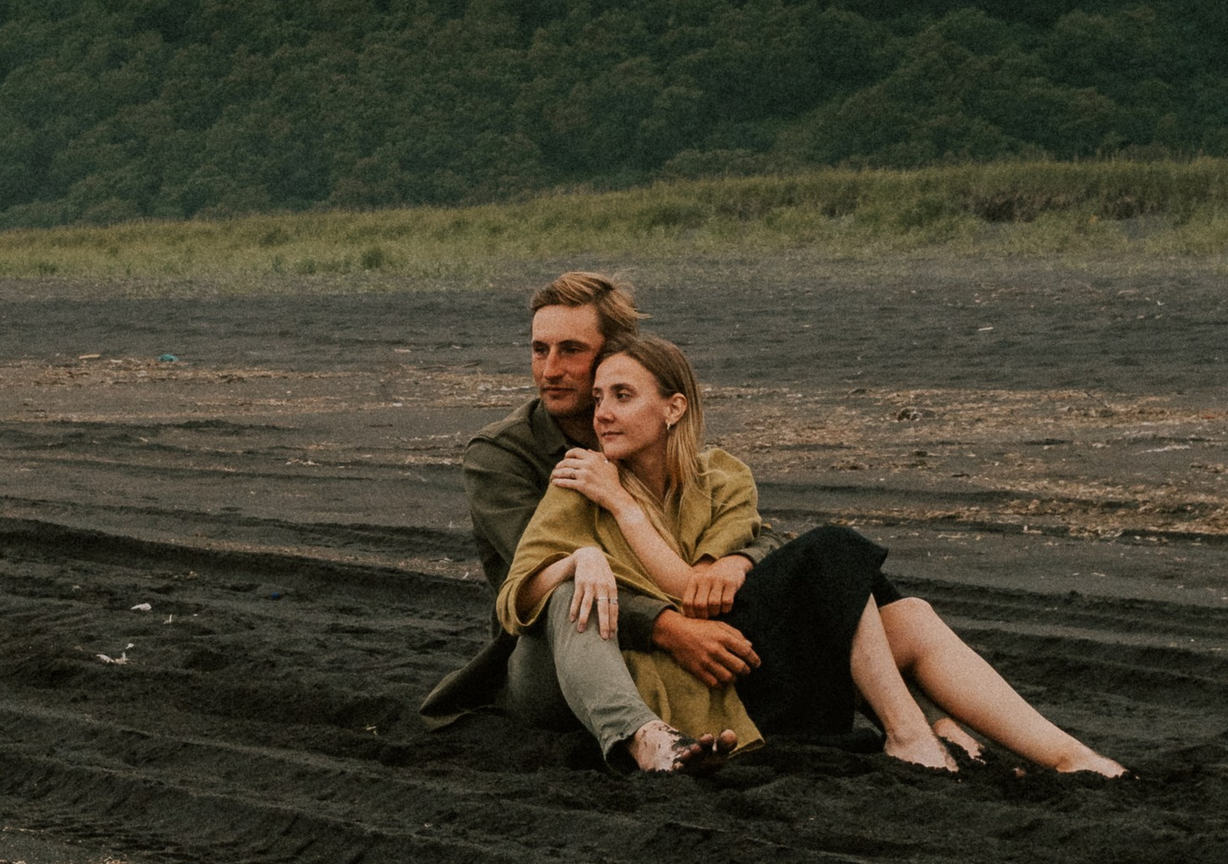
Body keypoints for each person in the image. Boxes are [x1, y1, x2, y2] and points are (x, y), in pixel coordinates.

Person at [501, 332, 1125, 777]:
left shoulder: (722, 477)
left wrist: (730, 559)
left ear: (674, 409)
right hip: (676, 686)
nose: (603, 413)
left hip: (738, 664)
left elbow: (700, 587)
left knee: (906, 613)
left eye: (622, 396)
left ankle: (1071, 755)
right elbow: (517, 598)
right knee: (833, 554)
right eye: (601, 398)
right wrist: (590, 545)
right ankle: (908, 732)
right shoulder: (581, 480)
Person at [417, 273, 770, 772]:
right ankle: (645, 739)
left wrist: (735, 560)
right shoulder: (501, 455)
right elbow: (535, 573)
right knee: (572, 587)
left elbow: (750, 524)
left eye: (571, 351)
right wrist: (671, 629)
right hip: (551, 657)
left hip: (666, 642)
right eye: (539, 350)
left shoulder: (648, 441)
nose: (550, 370)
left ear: (611, 357)